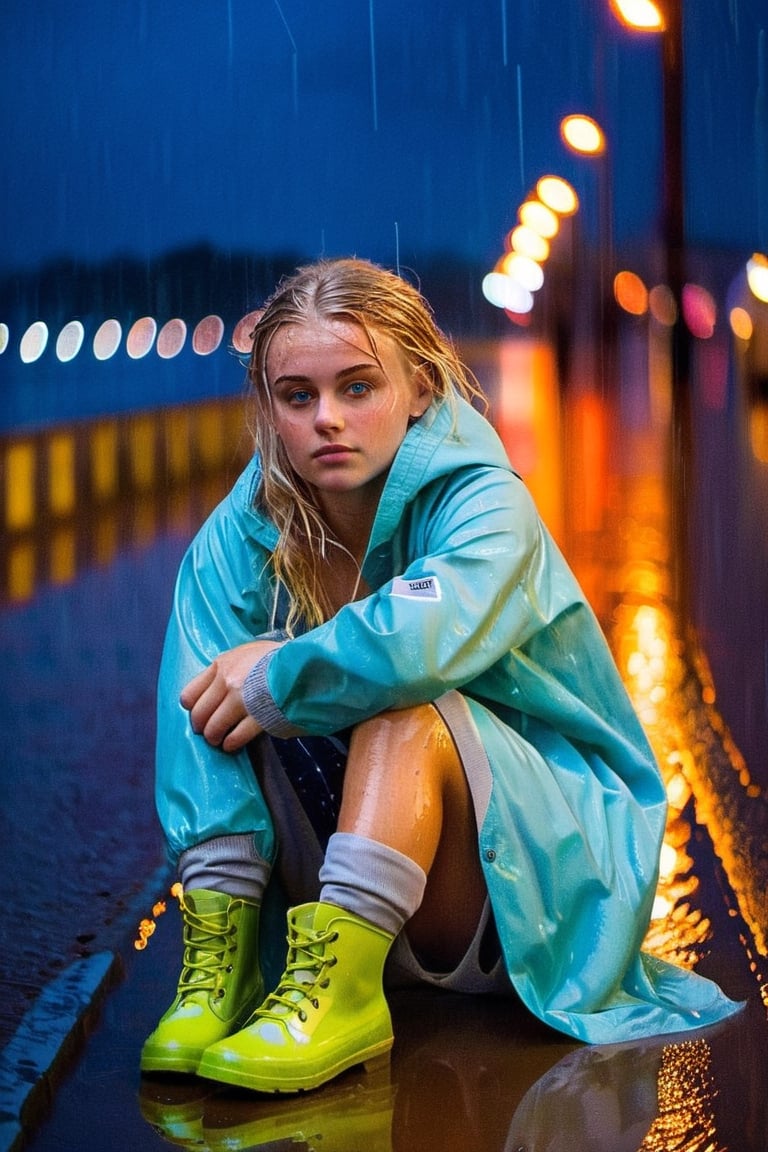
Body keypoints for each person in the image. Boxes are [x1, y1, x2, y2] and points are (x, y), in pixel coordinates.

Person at [140, 257, 740, 1094]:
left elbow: (420, 640)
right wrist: (223, 869)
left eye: (358, 387)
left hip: (531, 881)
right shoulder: (240, 534)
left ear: (420, 388)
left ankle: (345, 999)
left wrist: (278, 675)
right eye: (298, 396)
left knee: (400, 707)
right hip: (376, 871)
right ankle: (229, 969)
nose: (327, 421)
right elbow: (191, 711)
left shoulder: (486, 503)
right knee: (210, 690)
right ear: (270, 408)